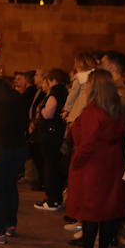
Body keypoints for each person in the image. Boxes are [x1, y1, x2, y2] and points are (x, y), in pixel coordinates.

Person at [65, 70, 125, 248]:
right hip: (111, 164)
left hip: (92, 167)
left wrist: (76, 162)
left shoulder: (93, 112)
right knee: (107, 212)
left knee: (91, 212)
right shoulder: (115, 111)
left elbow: (87, 143)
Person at [0, 73, 27, 243]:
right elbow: (25, 120)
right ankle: (11, 225)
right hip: (18, 147)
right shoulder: (16, 95)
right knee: (11, 187)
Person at [33, 68, 70, 210]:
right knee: (53, 166)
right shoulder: (64, 91)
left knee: (50, 166)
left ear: (51, 80)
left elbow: (48, 113)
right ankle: (55, 198)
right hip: (57, 134)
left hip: (51, 135)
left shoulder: (55, 93)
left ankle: (52, 199)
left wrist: (40, 111)